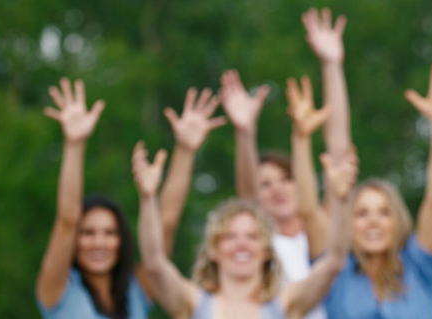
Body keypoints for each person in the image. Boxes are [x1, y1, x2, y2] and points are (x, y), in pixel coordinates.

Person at [297, 8, 432, 319]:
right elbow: (307, 210)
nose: (373, 221)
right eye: (361, 213)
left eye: (383, 212)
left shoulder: (420, 266)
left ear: (397, 219)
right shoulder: (335, 273)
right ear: (347, 224)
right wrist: (302, 140)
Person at [36, 78, 224, 318]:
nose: (99, 243)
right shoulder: (59, 291)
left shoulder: (135, 292)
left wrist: (186, 150)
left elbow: (165, 224)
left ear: (121, 240)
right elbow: (67, 220)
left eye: (109, 233)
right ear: (74, 241)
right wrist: (74, 144)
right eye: (88, 233)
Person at [131, 132, 357, 319]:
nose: (241, 244)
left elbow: (334, 261)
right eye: (230, 237)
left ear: (267, 250)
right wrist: (148, 198)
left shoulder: (287, 304)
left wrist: (342, 201)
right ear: (213, 250)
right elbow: (154, 262)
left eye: (252, 236)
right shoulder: (192, 303)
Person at [220, 69, 329, 319]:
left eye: (285, 179)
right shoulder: (260, 242)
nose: (277, 188)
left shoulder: (320, 230)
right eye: (266, 184)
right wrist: (245, 132)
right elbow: (247, 192)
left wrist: (331, 64)